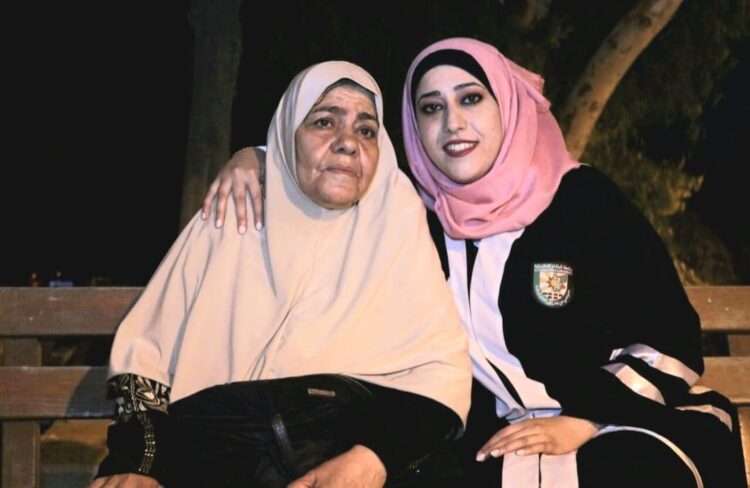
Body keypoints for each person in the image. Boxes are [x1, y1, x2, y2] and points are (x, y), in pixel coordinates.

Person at [205, 38, 745, 487]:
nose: (452, 123)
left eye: (470, 98)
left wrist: (588, 418)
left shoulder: (583, 201)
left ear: (506, 105)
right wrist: (255, 159)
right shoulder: (414, 222)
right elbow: (322, 181)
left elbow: (670, 339)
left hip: (633, 419)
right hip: (493, 439)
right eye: (431, 108)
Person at [90, 61, 471, 488]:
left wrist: (374, 458)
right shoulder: (236, 211)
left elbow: (441, 376)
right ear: (289, 136)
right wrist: (138, 462)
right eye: (324, 122)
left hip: (347, 457)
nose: (348, 143)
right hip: (216, 458)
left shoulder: (394, 218)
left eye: (366, 130)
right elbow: (146, 355)